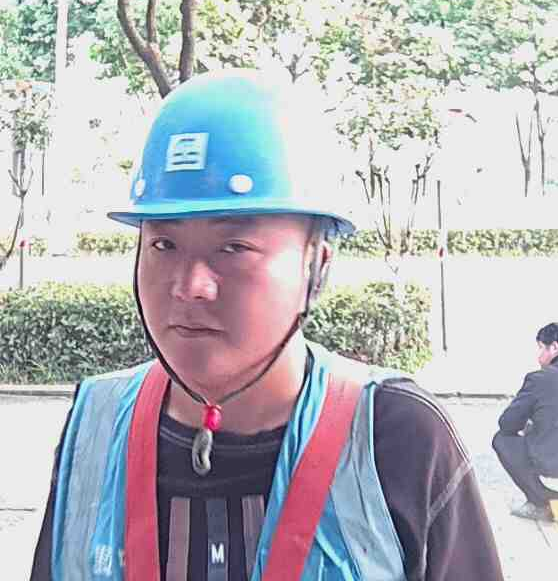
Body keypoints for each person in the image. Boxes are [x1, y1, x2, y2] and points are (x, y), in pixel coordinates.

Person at [30, 69, 503, 580]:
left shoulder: (397, 437)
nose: (190, 286)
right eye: (164, 244)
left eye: (233, 247)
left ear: (316, 266)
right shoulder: (94, 425)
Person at [493, 322, 558, 522]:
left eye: (541, 347)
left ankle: (539, 504)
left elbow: (507, 425)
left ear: (554, 347)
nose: (538, 355)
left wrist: (531, 426)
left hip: (555, 485)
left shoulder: (538, 379)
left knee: (501, 439)